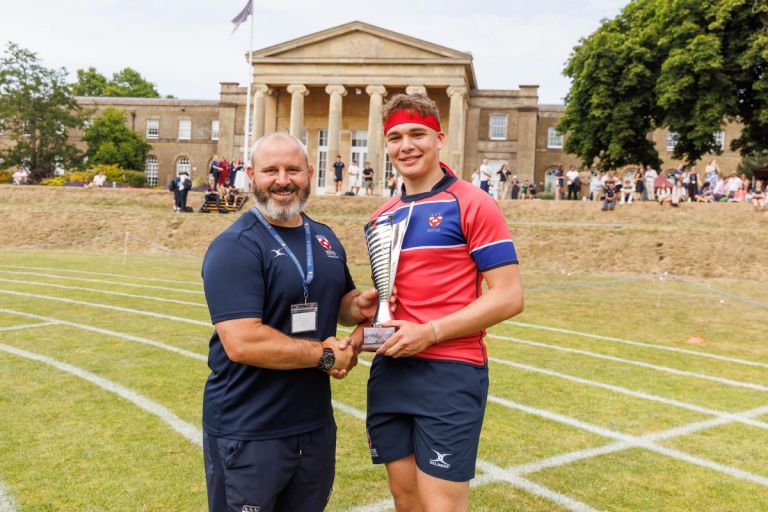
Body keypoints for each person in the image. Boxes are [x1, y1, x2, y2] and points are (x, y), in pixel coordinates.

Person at [201, 132, 378, 512]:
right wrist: (325, 356)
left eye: (293, 169)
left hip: (313, 427)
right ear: (252, 175)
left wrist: (357, 306)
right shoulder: (236, 246)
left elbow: (337, 303)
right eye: (271, 170)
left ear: (310, 173)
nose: (283, 180)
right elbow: (243, 342)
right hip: (250, 430)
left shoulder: (324, 238)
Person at [365, 93, 524, 512]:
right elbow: (392, 299)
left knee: (442, 506)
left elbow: (509, 296)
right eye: (395, 137)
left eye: (417, 134)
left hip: (449, 372)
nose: (406, 145)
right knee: (406, 500)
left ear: (439, 139)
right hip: (391, 370)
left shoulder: (472, 202)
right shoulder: (382, 215)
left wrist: (430, 332)